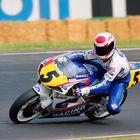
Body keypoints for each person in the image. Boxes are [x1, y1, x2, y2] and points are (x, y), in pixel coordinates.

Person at [58, 32, 130, 115]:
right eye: (100, 49)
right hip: (104, 67)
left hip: (118, 80)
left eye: (106, 49)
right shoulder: (97, 52)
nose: (103, 51)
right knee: (81, 63)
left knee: (113, 108)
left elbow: (105, 83)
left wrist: (84, 91)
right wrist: (64, 58)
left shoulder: (116, 64)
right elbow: (82, 55)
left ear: (112, 46)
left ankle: (101, 107)